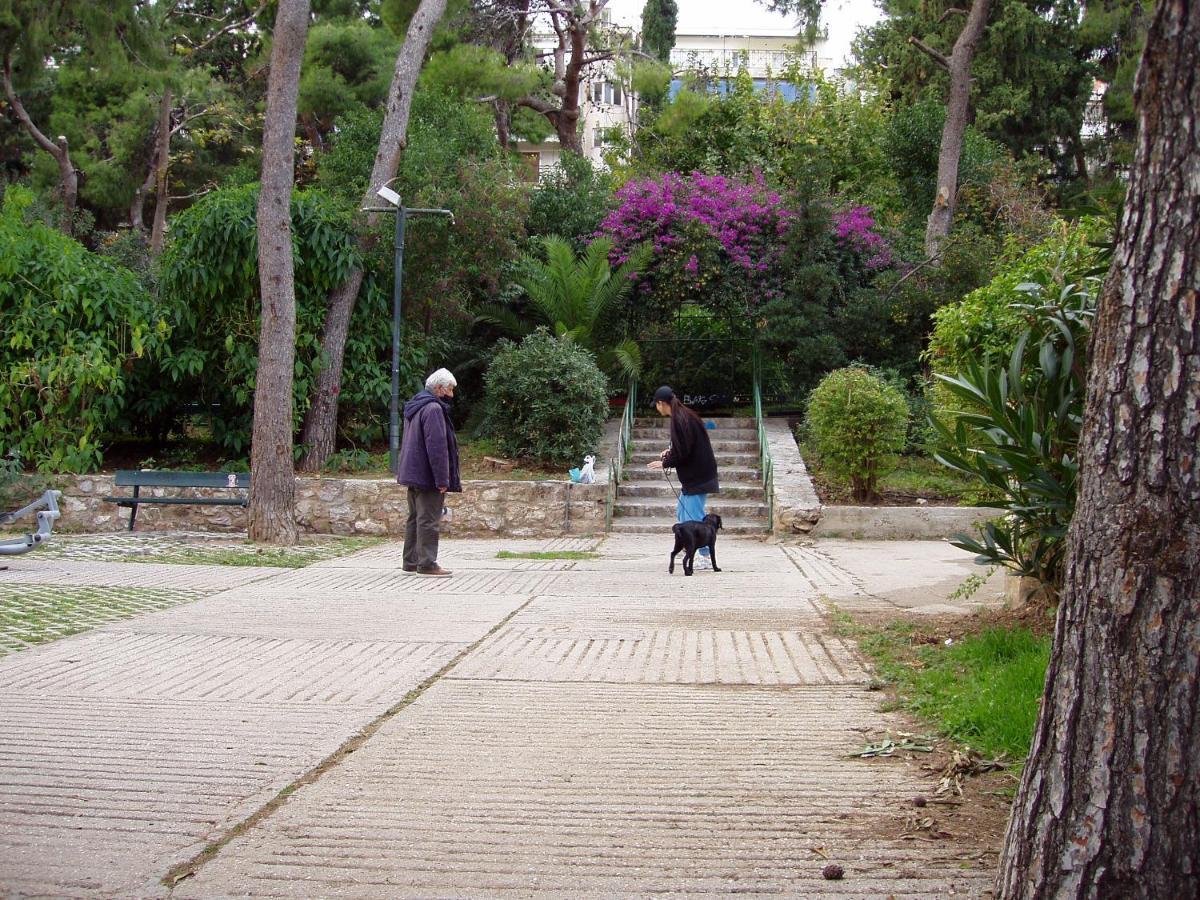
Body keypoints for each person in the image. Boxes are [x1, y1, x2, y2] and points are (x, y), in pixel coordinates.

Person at [646, 385, 720, 567]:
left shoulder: (681, 419)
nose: (657, 408)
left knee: (692, 516)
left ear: (661, 404)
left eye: (656, 405)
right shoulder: (681, 416)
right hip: (695, 476)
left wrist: (665, 462)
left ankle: (704, 556)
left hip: (699, 476)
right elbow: (683, 446)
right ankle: (690, 548)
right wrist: (669, 452)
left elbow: (684, 452)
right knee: (682, 512)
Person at [398, 368, 461, 577]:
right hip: (427, 474)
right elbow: (437, 448)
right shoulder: (433, 409)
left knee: (415, 517)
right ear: (439, 388)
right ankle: (426, 563)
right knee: (428, 519)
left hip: (413, 471)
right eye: (450, 389)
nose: (451, 395)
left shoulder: (416, 405)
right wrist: (442, 479)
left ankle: (411, 561)